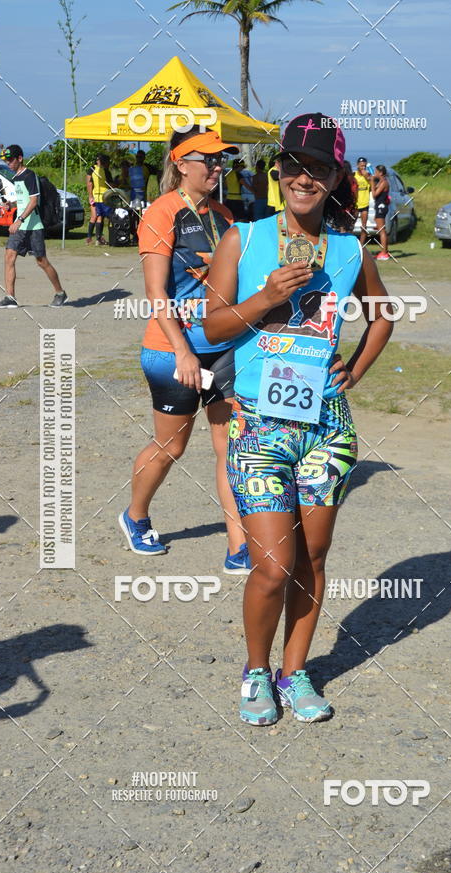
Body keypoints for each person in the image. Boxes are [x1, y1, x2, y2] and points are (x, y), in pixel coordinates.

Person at [203, 112, 393, 725]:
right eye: (294, 165)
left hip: (326, 428)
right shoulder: (246, 239)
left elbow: (383, 314)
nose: (304, 177)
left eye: (319, 167)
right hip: (259, 425)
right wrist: (264, 299)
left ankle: (296, 672)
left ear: (337, 175)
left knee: (312, 559)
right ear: (278, 169)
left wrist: (355, 370)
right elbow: (211, 327)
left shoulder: (348, 249)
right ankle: (256, 672)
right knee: (271, 565)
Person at [120, 125, 251, 574]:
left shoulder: (225, 216)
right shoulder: (161, 213)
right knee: (171, 447)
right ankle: (135, 515)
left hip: (223, 347)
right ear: (180, 164)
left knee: (230, 447)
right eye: (208, 159)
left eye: (221, 160)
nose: (218, 166)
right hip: (171, 350)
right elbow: (156, 293)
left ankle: (239, 547)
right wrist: (183, 351)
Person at [0, 144, 67, 309]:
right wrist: (10, 203)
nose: (8, 164)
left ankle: (60, 293)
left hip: (33, 226)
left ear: (20, 158)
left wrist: (18, 220)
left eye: (11, 160)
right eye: (7, 161)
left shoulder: (29, 176)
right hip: (20, 227)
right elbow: (23, 199)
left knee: (42, 262)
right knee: (9, 257)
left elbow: (34, 202)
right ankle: (10, 297)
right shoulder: (17, 177)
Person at [86, 153, 114, 246]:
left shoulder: (92, 169)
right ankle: (94, 238)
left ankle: (95, 238)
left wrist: (90, 195)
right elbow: (111, 185)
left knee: (98, 217)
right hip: (102, 197)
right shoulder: (101, 171)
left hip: (96, 196)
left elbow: (89, 184)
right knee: (97, 217)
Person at [372, 164, 391, 260]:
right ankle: (384, 252)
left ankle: (384, 253)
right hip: (380, 206)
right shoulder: (382, 181)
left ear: (380, 173)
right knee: (381, 230)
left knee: (382, 231)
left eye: (375, 172)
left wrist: (371, 182)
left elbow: (374, 195)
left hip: (381, 206)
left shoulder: (384, 182)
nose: (374, 174)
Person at [354, 157, 372, 246]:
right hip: (356, 204)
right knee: (350, 225)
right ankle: (351, 243)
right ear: (357, 165)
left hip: (365, 203)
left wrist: (367, 177)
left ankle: (361, 245)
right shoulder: (354, 175)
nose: (363, 168)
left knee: (364, 226)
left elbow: (373, 185)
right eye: (361, 166)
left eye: (364, 166)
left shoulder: (368, 175)